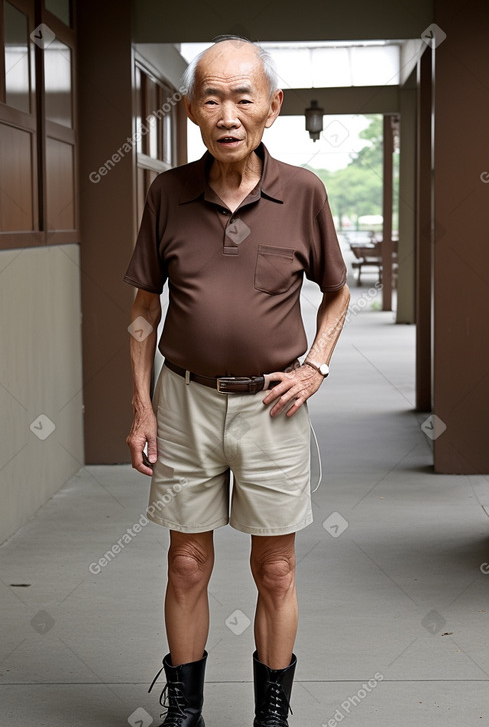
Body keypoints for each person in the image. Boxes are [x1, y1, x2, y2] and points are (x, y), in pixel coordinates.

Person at [124, 35, 350, 727]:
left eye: (242, 97)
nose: (227, 112)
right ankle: (185, 715)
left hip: (272, 410)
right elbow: (143, 309)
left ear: (271, 107)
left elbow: (336, 293)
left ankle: (270, 718)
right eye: (212, 97)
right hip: (184, 400)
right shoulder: (167, 192)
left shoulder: (303, 193)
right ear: (191, 109)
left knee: (275, 570)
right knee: (186, 563)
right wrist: (142, 408)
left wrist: (315, 365)